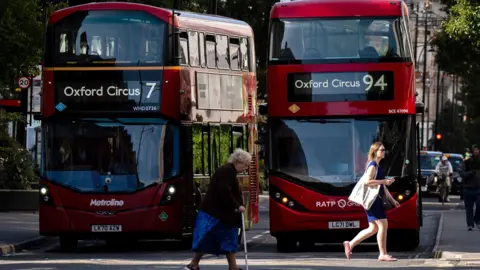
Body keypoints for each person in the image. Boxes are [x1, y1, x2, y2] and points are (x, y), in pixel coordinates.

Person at [185, 149, 252, 270]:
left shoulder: (228, 171)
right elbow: (224, 190)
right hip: (215, 215)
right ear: (238, 161)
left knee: (223, 239)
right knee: (214, 238)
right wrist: (237, 206)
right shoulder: (227, 171)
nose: (246, 168)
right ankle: (195, 264)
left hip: (220, 215)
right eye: (246, 165)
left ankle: (232, 266)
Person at [343, 142, 399, 262]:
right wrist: (384, 181)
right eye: (382, 150)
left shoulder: (377, 166)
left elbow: (382, 186)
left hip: (375, 200)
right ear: (375, 152)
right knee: (383, 225)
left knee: (373, 228)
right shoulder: (372, 165)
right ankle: (382, 254)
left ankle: (350, 244)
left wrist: (393, 200)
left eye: (384, 150)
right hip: (373, 201)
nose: (384, 152)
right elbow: (368, 182)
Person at [463, 144, 480, 231]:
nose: (476, 152)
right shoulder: (467, 162)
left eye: (477, 150)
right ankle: (470, 224)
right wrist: (470, 173)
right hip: (468, 188)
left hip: (478, 188)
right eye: (475, 150)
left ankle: (477, 220)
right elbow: (462, 174)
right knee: (469, 208)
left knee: (479, 205)